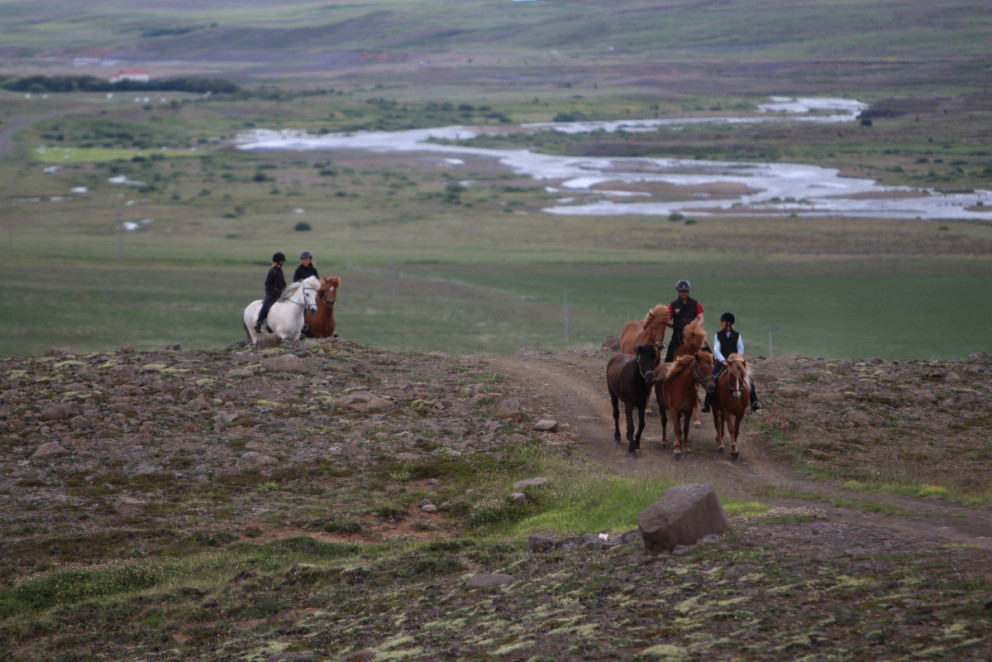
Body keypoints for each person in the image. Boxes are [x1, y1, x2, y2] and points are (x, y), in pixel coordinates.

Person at [701, 311, 762, 413]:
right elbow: (716, 350)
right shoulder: (718, 335)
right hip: (722, 362)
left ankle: (755, 402)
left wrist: (735, 358)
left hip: (735, 362)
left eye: (722, 321)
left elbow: (741, 350)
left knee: (749, 378)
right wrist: (723, 360)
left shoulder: (737, 335)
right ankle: (707, 404)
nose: (721, 323)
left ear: (728, 323)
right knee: (713, 378)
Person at [664, 279, 704, 363]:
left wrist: (694, 327)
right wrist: (675, 326)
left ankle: (713, 372)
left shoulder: (695, 303)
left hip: (692, 336)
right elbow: (667, 320)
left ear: (688, 291)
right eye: (681, 291)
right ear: (678, 291)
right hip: (677, 336)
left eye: (686, 290)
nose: (684, 292)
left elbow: (701, 318)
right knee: (668, 359)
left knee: (706, 351)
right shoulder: (672, 305)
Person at [254, 252, 287, 333]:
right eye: (283, 261)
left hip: (280, 294)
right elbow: (267, 284)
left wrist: (283, 289)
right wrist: (275, 290)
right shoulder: (273, 271)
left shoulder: (280, 271)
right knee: (266, 304)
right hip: (271, 294)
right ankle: (259, 322)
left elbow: (283, 283)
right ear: (280, 262)